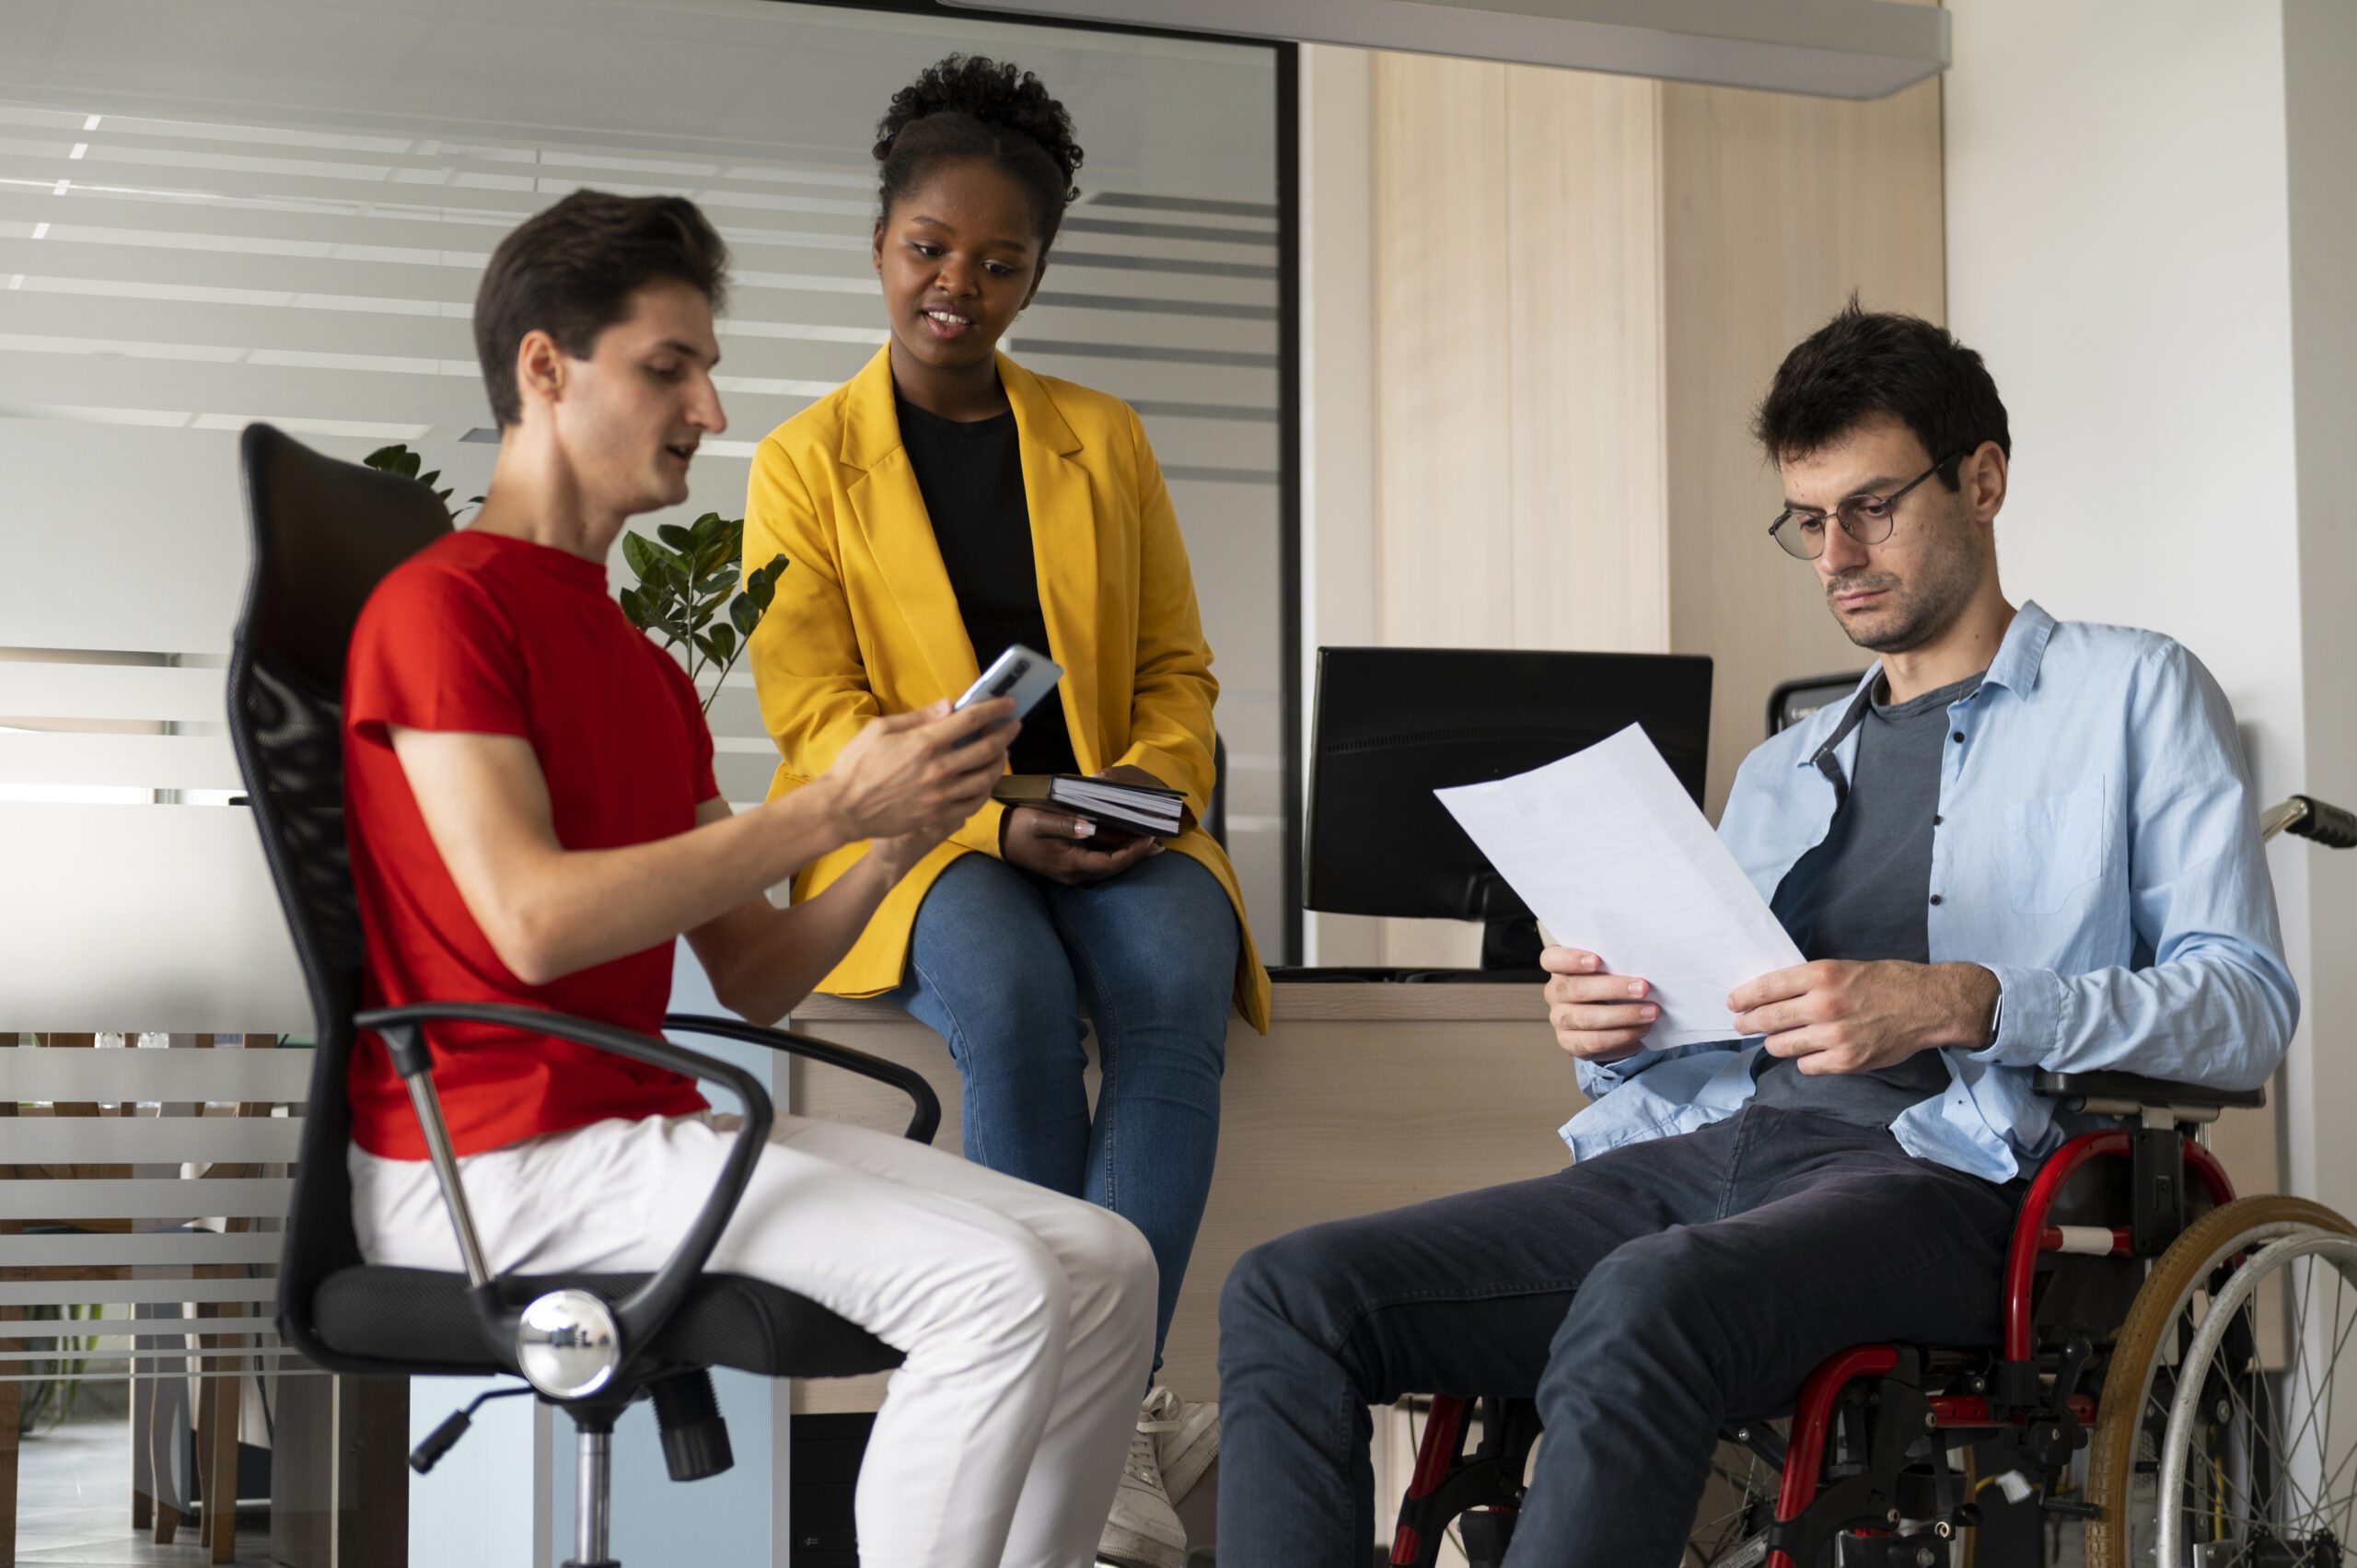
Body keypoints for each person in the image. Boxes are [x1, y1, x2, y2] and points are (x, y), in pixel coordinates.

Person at [1213, 302, 2301, 1564]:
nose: (1836, 551)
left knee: (1649, 1294)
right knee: (1290, 1292)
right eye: (1807, 519)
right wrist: (1611, 1028)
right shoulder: (1784, 767)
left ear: (1985, 480)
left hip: (1952, 1182)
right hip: (1701, 1161)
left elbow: (2242, 1006)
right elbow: (1704, 1032)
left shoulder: (2133, 691)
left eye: (1872, 506)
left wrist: (1968, 1001)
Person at [340, 188, 1159, 1568]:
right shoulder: (445, 608)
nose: (710, 409)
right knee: (1001, 1292)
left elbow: (760, 971)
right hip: (486, 1155)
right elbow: (533, 925)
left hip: (635, 1131)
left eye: (705, 370)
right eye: (670, 367)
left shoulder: (649, 675)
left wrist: (890, 836)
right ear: (547, 370)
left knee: (1109, 1262)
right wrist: (826, 802)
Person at [742, 54, 1269, 1567]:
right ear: (880, 247)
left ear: (1037, 271)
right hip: (913, 829)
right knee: (1016, 996)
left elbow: (1176, 662)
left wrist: (1152, 781)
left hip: (1109, 815)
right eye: (929, 250)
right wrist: (984, 827)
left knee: (1171, 994)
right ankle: (1064, 1412)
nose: (957, 286)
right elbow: (817, 714)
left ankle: (1113, 1416)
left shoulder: (1098, 438)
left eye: (997, 260)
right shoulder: (802, 464)